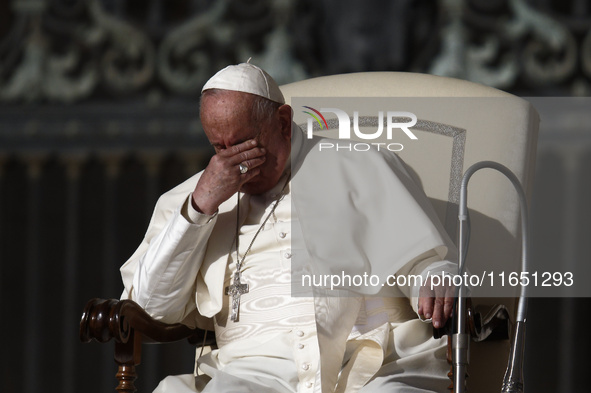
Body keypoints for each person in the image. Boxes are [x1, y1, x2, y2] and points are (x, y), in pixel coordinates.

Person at [120, 62, 458, 393]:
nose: (234, 165)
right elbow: (151, 308)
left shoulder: (362, 163)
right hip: (251, 373)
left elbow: (421, 260)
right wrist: (200, 208)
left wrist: (435, 274)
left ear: (283, 122)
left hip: (372, 360)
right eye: (220, 148)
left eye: (245, 145)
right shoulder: (190, 198)